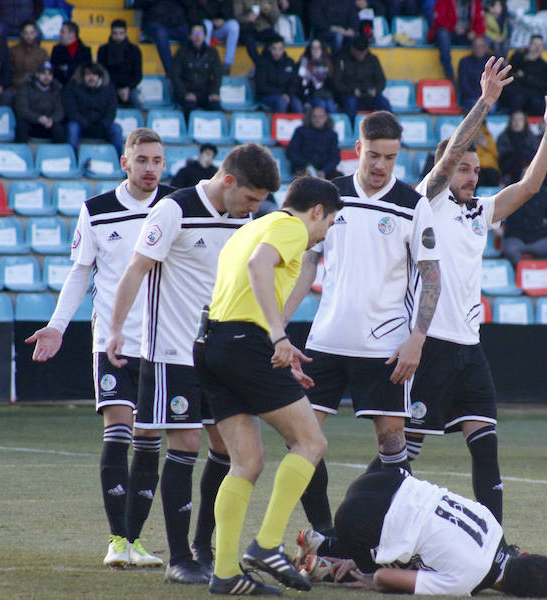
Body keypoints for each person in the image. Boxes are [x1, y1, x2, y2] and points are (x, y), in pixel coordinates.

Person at [404, 63, 547, 524]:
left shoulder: (479, 211)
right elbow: (453, 153)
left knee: (486, 449)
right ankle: (365, 533)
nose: (472, 176)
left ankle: (494, 545)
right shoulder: (427, 200)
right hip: (430, 346)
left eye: (477, 170)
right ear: (445, 169)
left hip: (469, 349)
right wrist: (485, 103)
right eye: (464, 168)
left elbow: (530, 186)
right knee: (400, 457)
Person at [106, 143, 280, 584]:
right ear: (228, 181)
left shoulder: (246, 220)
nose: (254, 209)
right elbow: (136, 270)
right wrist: (115, 329)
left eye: (259, 203)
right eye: (250, 199)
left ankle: (204, 548)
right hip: (172, 353)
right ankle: (179, 557)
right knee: (184, 444)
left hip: (221, 356)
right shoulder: (173, 209)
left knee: (224, 448)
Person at [281, 110, 443, 540]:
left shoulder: (413, 204)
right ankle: (323, 531)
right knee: (300, 437)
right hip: (326, 342)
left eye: (389, 157)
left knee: (393, 445)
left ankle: (394, 535)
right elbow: (307, 263)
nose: (380, 166)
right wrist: (278, 324)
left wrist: (417, 340)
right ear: (358, 149)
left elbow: (431, 276)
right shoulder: (330, 196)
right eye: (373, 155)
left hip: (385, 346)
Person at [25, 128, 174, 570]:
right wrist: (56, 326)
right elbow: (79, 273)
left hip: (162, 343)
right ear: (125, 163)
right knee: (118, 432)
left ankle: (134, 540)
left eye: (157, 161)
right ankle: (115, 540)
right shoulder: (96, 211)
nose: (150, 169)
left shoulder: (174, 208)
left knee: (149, 441)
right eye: (142, 160)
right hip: (111, 343)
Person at [194, 176, 342, 595]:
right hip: (245, 343)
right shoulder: (291, 227)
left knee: (246, 464)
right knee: (311, 442)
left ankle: (224, 574)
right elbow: (260, 267)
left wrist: (277, 349)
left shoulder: (249, 227)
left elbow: (245, 285)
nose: (324, 233)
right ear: (317, 211)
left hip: (212, 343)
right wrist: (277, 337)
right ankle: (266, 545)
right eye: (328, 224)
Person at [298, 469, 547, 597]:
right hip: (361, 521)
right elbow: (383, 576)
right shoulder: (465, 582)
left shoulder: (493, 525)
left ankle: (321, 546)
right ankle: (322, 564)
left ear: (525, 554)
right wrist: (373, 579)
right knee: (397, 576)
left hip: (382, 480)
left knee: (412, 548)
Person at [62, 62, 123, 157]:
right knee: (72, 127)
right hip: (81, 126)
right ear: (83, 76)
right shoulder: (72, 88)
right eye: (87, 75)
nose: (91, 78)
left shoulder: (109, 89)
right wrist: (85, 124)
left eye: (94, 74)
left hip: (102, 126)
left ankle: (120, 161)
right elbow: (71, 112)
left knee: (116, 128)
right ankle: (72, 159)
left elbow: (111, 111)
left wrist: (102, 124)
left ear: (99, 76)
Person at [333, 35, 392, 125]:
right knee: (350, 103)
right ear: (352, 49)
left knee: (384, 102)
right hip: (350, 94)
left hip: (370, 95)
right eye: (358, 53)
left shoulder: (373, 59)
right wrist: (352, 90)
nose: (361, 56)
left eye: (363, 53)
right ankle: (353, 129)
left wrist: (375, 90)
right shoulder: (341, 59)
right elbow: (337, 83)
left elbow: (381, 81)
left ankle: (391, 128)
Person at [501, 189, 547, 268]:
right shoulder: (511, 191)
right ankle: (521, 273)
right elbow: (498, 213)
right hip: (515, 238)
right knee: (511, 250)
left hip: (537, 239)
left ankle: (542, 272)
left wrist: (543, 232)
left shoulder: (543, 193)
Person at [170, 22, 222, 116]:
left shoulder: (212, 52)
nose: (198, 36)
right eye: (194, 33)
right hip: (187, 92)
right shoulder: (181, 52)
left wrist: (214, 92)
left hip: (205, 93)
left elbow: (217, 75)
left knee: (215, 106)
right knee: (189, 106)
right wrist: (185, 93)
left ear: (205, 36)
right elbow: (175, 75)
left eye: (201, 33)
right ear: (190, 36)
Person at [428, 0, 485, 80]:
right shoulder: (444, 1)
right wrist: (453, 27)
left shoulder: (475, 2)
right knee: (442, 34)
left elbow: (481, 23)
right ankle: (449, 74)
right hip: (450, 33)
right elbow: (438, 20)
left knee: (481, 40)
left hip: (467, 35)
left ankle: (482, 73)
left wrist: (474, 32)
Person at [13, 60, 65, 142]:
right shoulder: (26, 87)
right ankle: (20, 152)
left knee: (59, 128)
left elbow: (60, 111)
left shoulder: (56, 89)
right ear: (37, 74)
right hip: (31, 123)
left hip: (48, 124)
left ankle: (59, 153)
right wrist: (38, 118)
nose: (47, 77)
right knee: (21, 126)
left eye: (50, 74)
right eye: (43, 73)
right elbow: (22, 109)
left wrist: (51, 120)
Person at [96, 19, 143, 108]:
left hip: (130, 88)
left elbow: (138, 75)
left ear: (125, 34)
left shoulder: (134, 51)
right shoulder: (103, 50)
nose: (118, 36)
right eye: (115, 33)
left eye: (121, 33)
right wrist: (116, 90)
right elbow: (102, 73)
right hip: (109, 87)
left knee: (137, 99)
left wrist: (127, 88)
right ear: (111, 33)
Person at [502, 34, 547, 117]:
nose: (537, 48)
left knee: (537, 103)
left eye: (540, 45)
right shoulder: (517, 57)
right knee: (516, 99)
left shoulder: (544, 66)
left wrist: (525, 77)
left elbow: (542, 85)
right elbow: (510, 75)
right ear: (529, 45)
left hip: (533, 95)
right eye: (535, 44)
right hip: (516, 93)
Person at [286, 106, 341, 179]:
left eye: (320, 117)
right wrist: (307, 165)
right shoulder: (300, 131)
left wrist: (324, 171)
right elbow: (291, 152)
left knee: (339, 178)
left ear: (325, 118)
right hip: (303, 169)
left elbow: (335, 157)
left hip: (324, 171)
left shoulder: (332, 134)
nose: (317, 119)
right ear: (310, 118)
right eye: (314, 117)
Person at [138, 0, 190, 74]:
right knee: (161, 33)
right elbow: (138, 4)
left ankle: (183, 68)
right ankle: (171, 72)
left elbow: (189, 3)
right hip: (153, 23)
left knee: (188, 33)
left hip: (175, 24)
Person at [254, 35, 302, 114]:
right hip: (267, 96)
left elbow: (294, 82)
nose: (277, 52)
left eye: (280, 49)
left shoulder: (289, 62)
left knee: (297, 103)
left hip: (286, 95)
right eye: (274, 49)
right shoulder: (262, 63)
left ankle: (300, 125)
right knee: (281, 102)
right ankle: (279, 125)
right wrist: (281, 94)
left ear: (283, 49)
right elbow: (261, 86)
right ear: (269, 49)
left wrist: (288, 94)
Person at [195, 0, 239, 75]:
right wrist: (213, 20)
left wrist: (224, 20)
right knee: (207, 24)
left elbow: (231, 14)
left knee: (234, 25)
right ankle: (205, 60)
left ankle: (227, 65)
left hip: (221, 29)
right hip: (207, 27)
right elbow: (200, 12)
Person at [497, 110, 538, 185]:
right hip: (508, 169)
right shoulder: (504, 137)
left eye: (520, 119)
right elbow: (501, 156)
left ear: (524, 122)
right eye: (514, 119)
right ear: (510, 121)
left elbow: (535, 155)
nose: (517, 122)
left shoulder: (531, 138)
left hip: (527, 168)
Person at [298, 38, 335, 113]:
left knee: (331, 106)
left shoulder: (328, 64)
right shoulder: (304, 63)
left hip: (326, 96)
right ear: (310, 50)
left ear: (322, 49)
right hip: (310, 96)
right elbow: (299, 85)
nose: (316, 50)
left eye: (318, 47)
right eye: (313, 48)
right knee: (321, 105)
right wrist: (305, 101)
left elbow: (332, 85)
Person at [50, 21, 92, 86]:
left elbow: (87, 71)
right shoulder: (56, 50)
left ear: (72, 34)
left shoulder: (85, 51)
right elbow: (53, 70)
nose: (60, 35)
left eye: (62, 32)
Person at [9, 20, 47, 89]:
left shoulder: (42, 53)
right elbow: (8, 72)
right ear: (22, 34)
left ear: (36, 34)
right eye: (26, 33)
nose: (29, 36)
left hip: (36, 88)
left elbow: (46, 73)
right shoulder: (13, 51)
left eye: (31, 33)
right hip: (16, 87)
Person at [458, 36, 492, 111]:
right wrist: (478, 98)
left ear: (486, 47)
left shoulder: (491, 61)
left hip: (488, 98)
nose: (478, 49)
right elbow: (463, 84)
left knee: (490, 107)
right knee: (476, 107)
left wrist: (485, 97)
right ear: (472, 48)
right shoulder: (464, 62)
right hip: (471, 98)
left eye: (481, 46)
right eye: (476, 46)